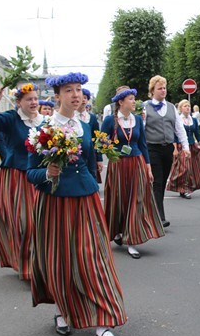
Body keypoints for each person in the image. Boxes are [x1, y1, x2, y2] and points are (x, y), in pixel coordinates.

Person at [27, 72, 126, 336]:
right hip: (56, 201)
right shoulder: (43, 129)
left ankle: (104, 323)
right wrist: (47, 171)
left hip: (86, 198)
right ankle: (61, 309)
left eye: (79, 89)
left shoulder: (86, 123)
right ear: (57, 96)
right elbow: (30, 172)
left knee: (96, 258)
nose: (75, 94)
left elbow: (92, 159)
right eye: (68, 90)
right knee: (61, 259)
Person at [0, 84, 43, 280]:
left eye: (35, 99)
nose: (34, 103)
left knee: (40, 223)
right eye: (29, 99)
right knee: (24, 223)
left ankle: (40, 264)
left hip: (40, 177)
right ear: (19, 102)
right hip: (16, 176)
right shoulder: (10, 118)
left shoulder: (45, 121)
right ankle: (26, 266)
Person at [101, 86, 164, 259]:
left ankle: (132, 240)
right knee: (119, 200)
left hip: (137, 163)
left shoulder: (137, 119)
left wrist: (148, 167)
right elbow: (100, 142)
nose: (133, 102)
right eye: (130, 99)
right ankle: (119, 232)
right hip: (118, 165)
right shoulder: (110, 121)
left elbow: (143, 144)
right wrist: (110, 153)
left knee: (136, 200)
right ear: (121, 102)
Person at [144, 76, 190, 227]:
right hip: (152, 148)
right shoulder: (145, 107)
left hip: (168, 148)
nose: (163, 91)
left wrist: (186, 147)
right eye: (159, 88)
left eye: (164, 88)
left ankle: (153, 211)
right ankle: (160, 217)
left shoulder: (171, 107)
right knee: (157, 181)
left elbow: (179, 128)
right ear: (152, 91)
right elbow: (141, 128)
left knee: (162, 181)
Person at [166, 100, 200, 199]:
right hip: (181, 146)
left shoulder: (194, 120)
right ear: (181, 108)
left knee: (193, 169)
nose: (188, 108)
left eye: (189, 106)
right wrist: (174, 149)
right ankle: (183, 189)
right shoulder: (178, 120)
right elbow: (174, 135)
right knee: (184, 168)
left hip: (192, 147)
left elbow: (198, 135)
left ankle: (187, 188)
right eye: (185, 106)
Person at [78, 88, 103, 183]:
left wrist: (99, 159)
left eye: (85, 98)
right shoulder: (72, 117)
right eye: (82, 97)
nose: (83, 100)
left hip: (90, 154)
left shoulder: (91, 117)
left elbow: (97, 138)